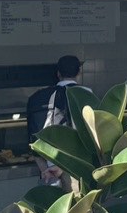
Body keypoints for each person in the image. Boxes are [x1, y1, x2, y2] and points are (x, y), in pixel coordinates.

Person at [27, 54, 86, 188]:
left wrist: (44, 169)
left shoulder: (38, 98)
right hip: (77, 170)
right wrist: (63, 167)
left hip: (48, 172)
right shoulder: (85, 94)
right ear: (79, 72)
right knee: (78, 207)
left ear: (58, 73)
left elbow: (33, 138)